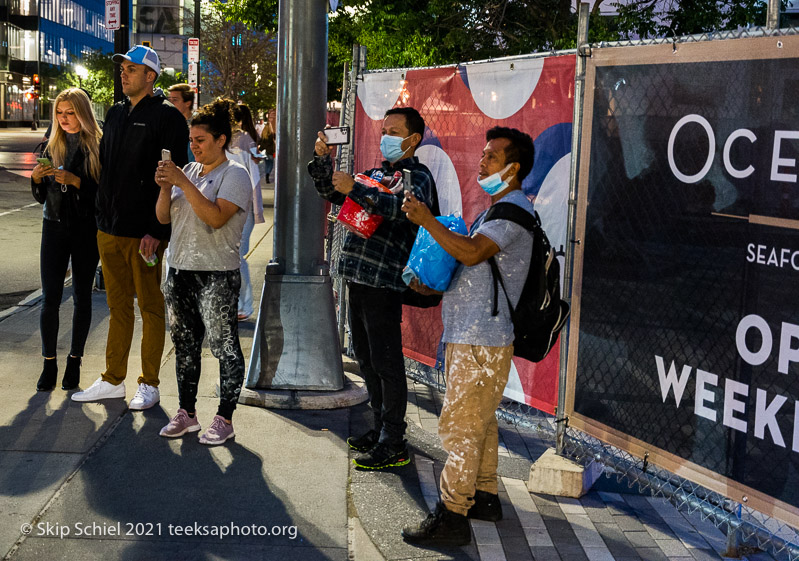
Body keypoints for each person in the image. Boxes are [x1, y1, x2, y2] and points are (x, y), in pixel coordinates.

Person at [401, 127, 536, 546]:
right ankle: (484, 495)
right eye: (482, 154)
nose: (482, 162)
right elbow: (474, 269)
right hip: (477, 335)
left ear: (513, 169)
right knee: (481, 421)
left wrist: (426, 220)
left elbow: (473, 252)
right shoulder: (497, 210)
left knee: (460, 426)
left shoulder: (512, 212)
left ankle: (452, 516)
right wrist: (435, 285)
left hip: (482, 338)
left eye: (492, 157)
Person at [308, 106, 436, 470]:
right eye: (384, 130)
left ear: (413, 139)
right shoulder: (374, 173)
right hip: (357, 275)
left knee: (386, 361)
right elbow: (330, 192)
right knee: (366, 357)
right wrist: (322, 162)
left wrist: (357, 190)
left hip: (384, 281)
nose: (386, 137)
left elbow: (402, 208)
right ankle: (380, 428)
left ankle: (394, 440)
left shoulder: (418, 176)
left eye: (394, 131)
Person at [72, 45, 189, 409]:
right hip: (109, 228)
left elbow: (173, 179)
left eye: (131, 69)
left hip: (145, 234)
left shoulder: (168, 118)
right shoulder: (116, 112)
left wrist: (158, 230)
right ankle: (112, 379)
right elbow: (107, 170)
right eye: (122, 68)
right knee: (117, 307)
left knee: (151, 308)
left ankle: (149, 384)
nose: (123, 73)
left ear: (150, 76)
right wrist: (100, 215)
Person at [154, 99, 252, 445]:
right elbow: (163, 218)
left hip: (216, 274)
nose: (194, 146)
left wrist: (182, 180)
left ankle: (225, 417)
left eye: (201, 140)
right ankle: (187, 413)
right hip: (180, 270)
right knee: (184, 346)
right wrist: (168, 186)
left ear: (221, 140)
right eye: (191, 140)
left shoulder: (235, 174)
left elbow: (215, 217)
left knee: (224, 346)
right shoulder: (190, 171)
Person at [31, 88, 102, 391]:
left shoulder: (98, 146)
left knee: (82, 297)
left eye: (70, 112)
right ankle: (49, 363)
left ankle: (74, 360)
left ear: (83, 113)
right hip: (54, 226)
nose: (64, 119)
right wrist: (36, 180)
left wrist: (76, 182)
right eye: (60, 113)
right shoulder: (50, 145)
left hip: (86, 229)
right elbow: (41, 197)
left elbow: (103, 196)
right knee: (50, 299)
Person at [227, 101, 264, 320]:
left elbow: (254, 179)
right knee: (235, 256)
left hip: (241, 206)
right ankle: (239, 304)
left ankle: (243, 305)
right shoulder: (242, 140)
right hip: (237, 206)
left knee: (236, 256)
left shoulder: (241, 141)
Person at [167, 83, 195, 163]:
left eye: (175, 100)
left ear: (187, 103)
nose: (170, 103)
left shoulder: (196, 124)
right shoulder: (168, 123)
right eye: (169, 99)